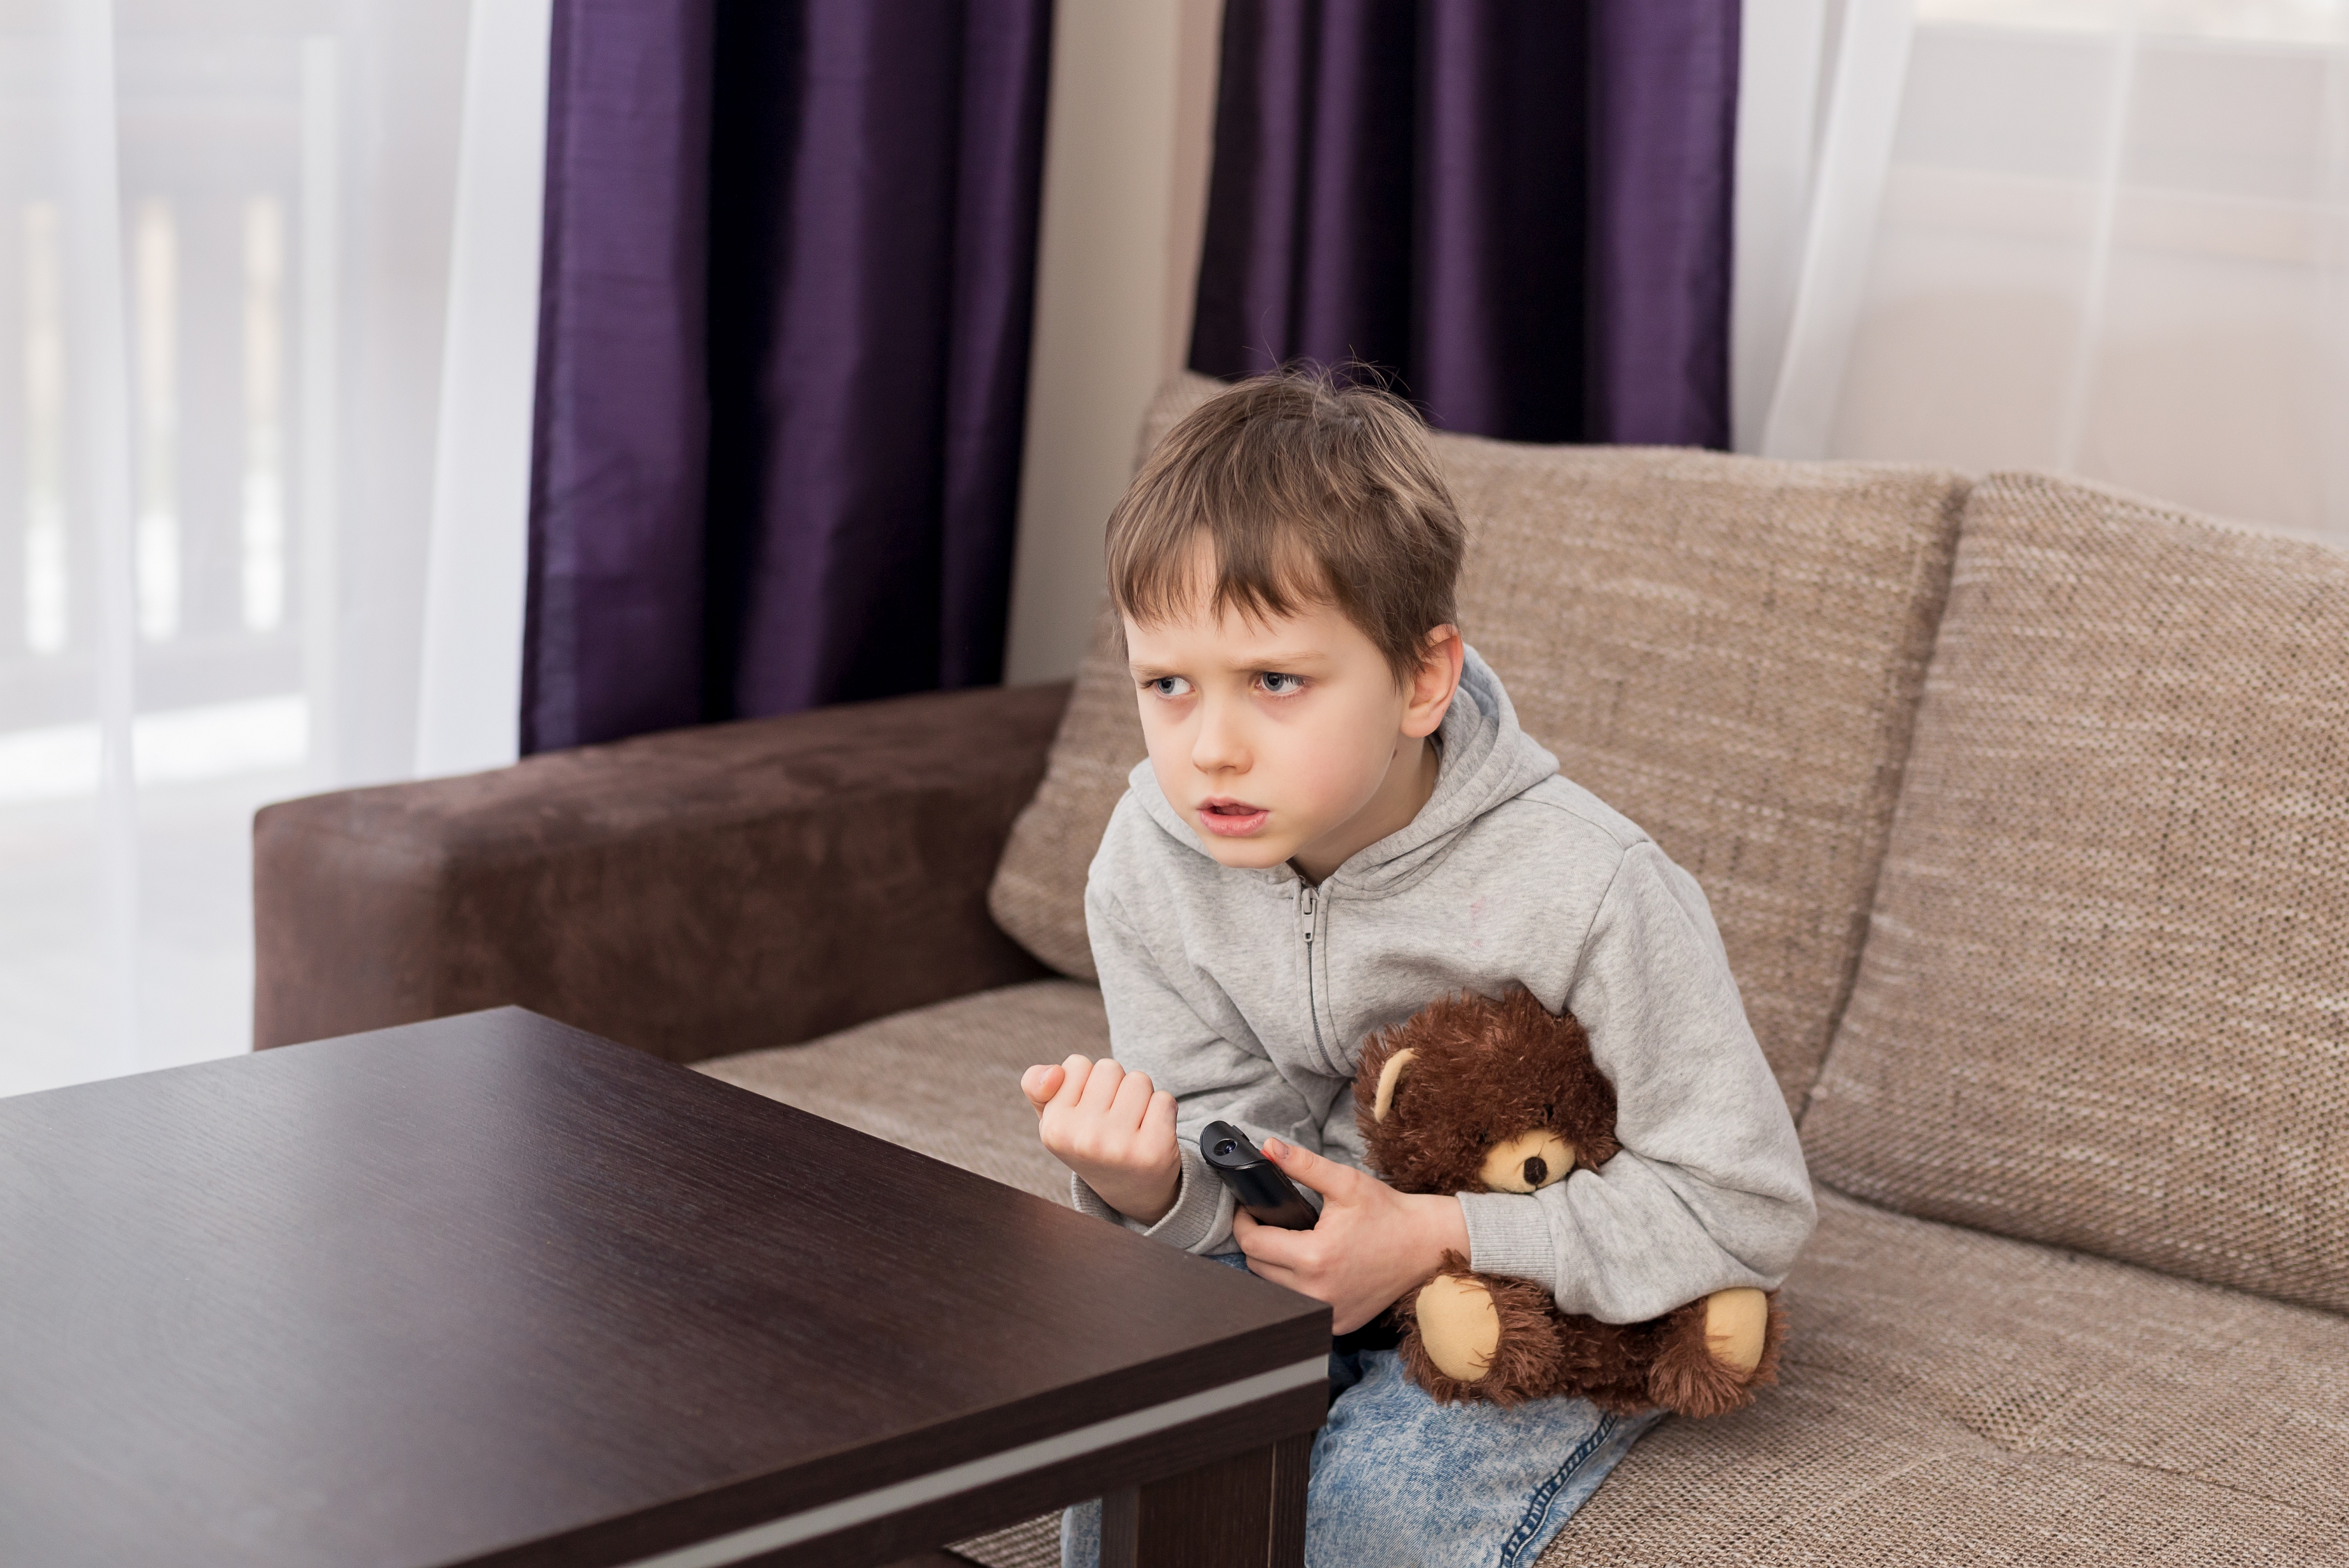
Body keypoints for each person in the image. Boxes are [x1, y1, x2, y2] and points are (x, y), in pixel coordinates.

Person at [1021, 368, 1816, 1568]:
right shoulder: (1149, 860)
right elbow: (1232, 1177)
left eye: (1275, 681)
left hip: (1529, 1294)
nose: (1210, 745)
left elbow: (1743, 1200)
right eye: (1167, 684)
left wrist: (1433, 1235)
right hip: (1303, 1271)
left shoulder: (1593, 886)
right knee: (1138, 1490)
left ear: (1422, 677)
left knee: (1370, 1519)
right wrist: (1152, 1188)